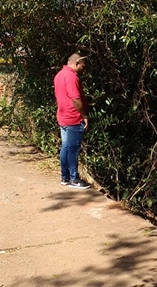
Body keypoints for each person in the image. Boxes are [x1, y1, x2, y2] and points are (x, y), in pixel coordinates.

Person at [53, 53, 90, 189]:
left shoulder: (59, 75)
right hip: (73, 117)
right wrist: (84, 115)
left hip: (63, 116)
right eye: (82, 66)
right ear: (77, 63)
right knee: (73, 149)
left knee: (66, 147)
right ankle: (74, 178)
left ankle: (65, 177)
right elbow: (76, 99)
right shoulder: (71, 77)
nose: (83, 69)